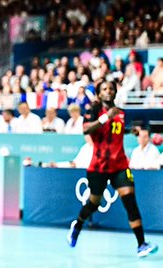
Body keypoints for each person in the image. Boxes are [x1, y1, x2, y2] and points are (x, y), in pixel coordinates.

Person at [67, 80, 157, 257]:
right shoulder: (94, 109)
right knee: (94, 202)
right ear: (100, 94)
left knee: (130, 202)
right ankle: (77, 225)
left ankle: (141, 245)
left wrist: (132, 131)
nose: (108, 91)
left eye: (111, 89)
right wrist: (105, 116)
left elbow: (115, 130)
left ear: (115, 93)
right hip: (99, 166)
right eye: (104, 89)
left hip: (119, 166)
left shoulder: (120, 113)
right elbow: (86, 129)